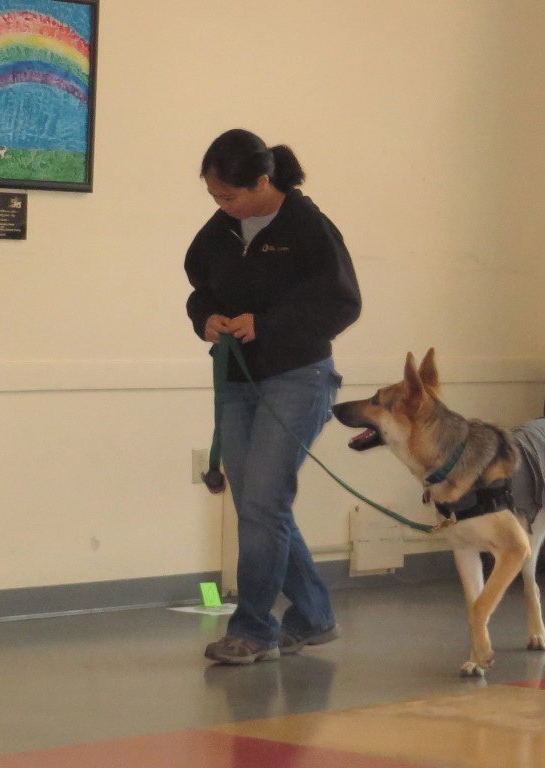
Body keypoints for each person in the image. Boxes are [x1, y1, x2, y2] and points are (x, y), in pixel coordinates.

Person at [184, 129, 362, 664]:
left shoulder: (308, 228)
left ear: (263, 182)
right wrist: (205, 320)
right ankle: (312, 616)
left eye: (231, 197)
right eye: (215, 198)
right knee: (259, 506)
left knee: (263, 505)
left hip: (298, 378)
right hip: (238, 382)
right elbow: (200, 289)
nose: (223, 207)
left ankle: (253, 630)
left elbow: (341, 304)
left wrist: (269, 325)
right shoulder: (218, 233)